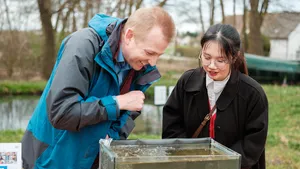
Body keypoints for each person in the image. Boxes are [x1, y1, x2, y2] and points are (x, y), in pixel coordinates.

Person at [22, 6, 175, 169]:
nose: (153, 63)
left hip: (93, 160)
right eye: (150, 53)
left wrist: (113, 138)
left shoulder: (139, 66)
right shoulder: (82, 45)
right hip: (51, 158)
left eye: (159, 55)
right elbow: (61, 112)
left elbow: (129, 113)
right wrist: (116, 103)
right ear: (129, 35)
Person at [162, 24, 268, 169]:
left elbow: (253, 143)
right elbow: (172, 126)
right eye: (206, 57)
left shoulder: (252, 93)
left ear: (234, 57)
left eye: (220, 60)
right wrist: (190, 157)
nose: (211, 66)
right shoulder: (187, 82)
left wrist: (221, 163)